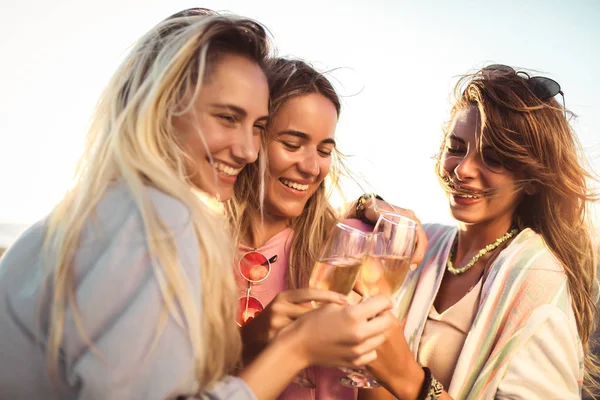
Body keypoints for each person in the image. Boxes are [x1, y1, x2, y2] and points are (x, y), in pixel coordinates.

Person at [0, 9, 395, 400]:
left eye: (256, 126)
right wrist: (295, 348)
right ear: (162, 106)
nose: (246, 150)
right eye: (227, 118)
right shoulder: (157, 223)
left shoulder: (88, 216)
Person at [357, 64, 600, 400]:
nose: (463, 169)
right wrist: (370, 205)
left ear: (530, 181)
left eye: (493, 158)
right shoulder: (426, 243)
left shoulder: (538, 283)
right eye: (456, 148)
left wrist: (410, 379)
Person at [229, 58, 427, 400]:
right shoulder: (189, 248)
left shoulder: (345, 249)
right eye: (292, 144)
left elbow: (377, 386)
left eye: (324, 150)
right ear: (253, 137)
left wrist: (375, 367)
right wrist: (244, 344)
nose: (311, 167)